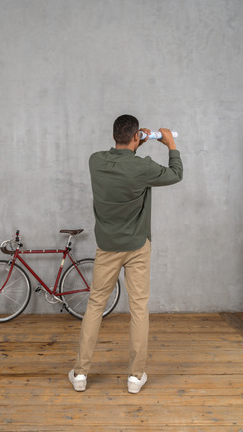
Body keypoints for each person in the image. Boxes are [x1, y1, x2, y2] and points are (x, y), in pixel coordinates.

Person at [68, 114, 183, 393]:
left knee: (95, 306)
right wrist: (170, 145)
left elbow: (122, 159)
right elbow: (176, 174)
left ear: (113, 136)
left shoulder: (95, 161)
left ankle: (81, 374)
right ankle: (135, 377)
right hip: (137, 247)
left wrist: (135, 145)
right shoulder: (143, 168)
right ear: (136, 136)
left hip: (107, 246)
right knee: (138, 309)